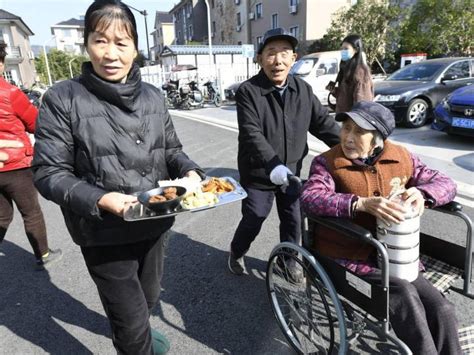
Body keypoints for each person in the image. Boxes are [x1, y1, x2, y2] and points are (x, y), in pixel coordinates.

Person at [32, 1, 204, 353]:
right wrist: (99, 199)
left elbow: (171, 150)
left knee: (147, 298)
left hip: (155, 219)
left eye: (121, 43)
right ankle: (135, 341)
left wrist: (190, 170)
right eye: (100, 41)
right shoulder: (62, 98)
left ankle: (135, 330)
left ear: (136, 49)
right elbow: (48, 170)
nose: (110, 53)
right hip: (103, 230)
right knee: (130, 320)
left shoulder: (154, 97)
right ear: (87, 45)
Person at [300, 101, 461, 354]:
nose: (348, 137)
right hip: (349, 252)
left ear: (377, 140)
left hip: (398, 255)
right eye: (346, 128)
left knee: (443, 309)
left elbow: (446, 183)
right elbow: (310, 198)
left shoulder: (402, 158)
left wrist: (423, 192)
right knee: (408, 301)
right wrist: (359, 203)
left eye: (358, 131)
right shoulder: (327, 163)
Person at [228, 28, 340, 279]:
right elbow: (251, 134)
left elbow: (323, 124)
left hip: (292, 172)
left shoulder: (302, 90)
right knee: (255, 216)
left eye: (284, 54)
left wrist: (350, 146)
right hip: (258, 171)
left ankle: (288, 260)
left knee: (294, 218)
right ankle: (236, 251)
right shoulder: (248, 91)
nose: (277, 60)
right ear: (259, 59)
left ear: (294, 58)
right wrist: (273, 165)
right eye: (270, 53)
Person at [0, 41, 61, 270]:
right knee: (31, 212)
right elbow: (36, 124)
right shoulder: (10, 92)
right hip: (16, 165)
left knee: (2, 216)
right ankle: (43, 254)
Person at [326, 34, 374, 113]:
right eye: (342, 48)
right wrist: (334, 91)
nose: (343, 51)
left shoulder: (360, 72)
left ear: (356, 50)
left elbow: (362, 102)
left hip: (354, 121)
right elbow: (346, 95)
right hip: (345, 117)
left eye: (346, 48)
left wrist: (354, 121)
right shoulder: (347, 69)